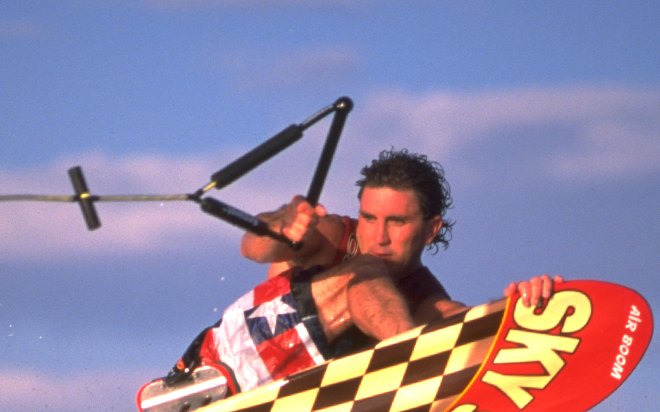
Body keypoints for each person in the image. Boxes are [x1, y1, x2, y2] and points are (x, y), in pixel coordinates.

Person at [163, 149, 562, 397]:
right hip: (228, 355)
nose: (379, 236)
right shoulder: (334, 235)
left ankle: (410, 365)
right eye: (369, 217)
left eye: (397, 222)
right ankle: (411, 369)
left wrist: (524, 309)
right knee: (365, 271)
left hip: (287, 395)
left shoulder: (422, 296)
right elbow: (253, 248)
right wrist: (280, 226)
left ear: (431, 228)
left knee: (442, 327)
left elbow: (461, 324)